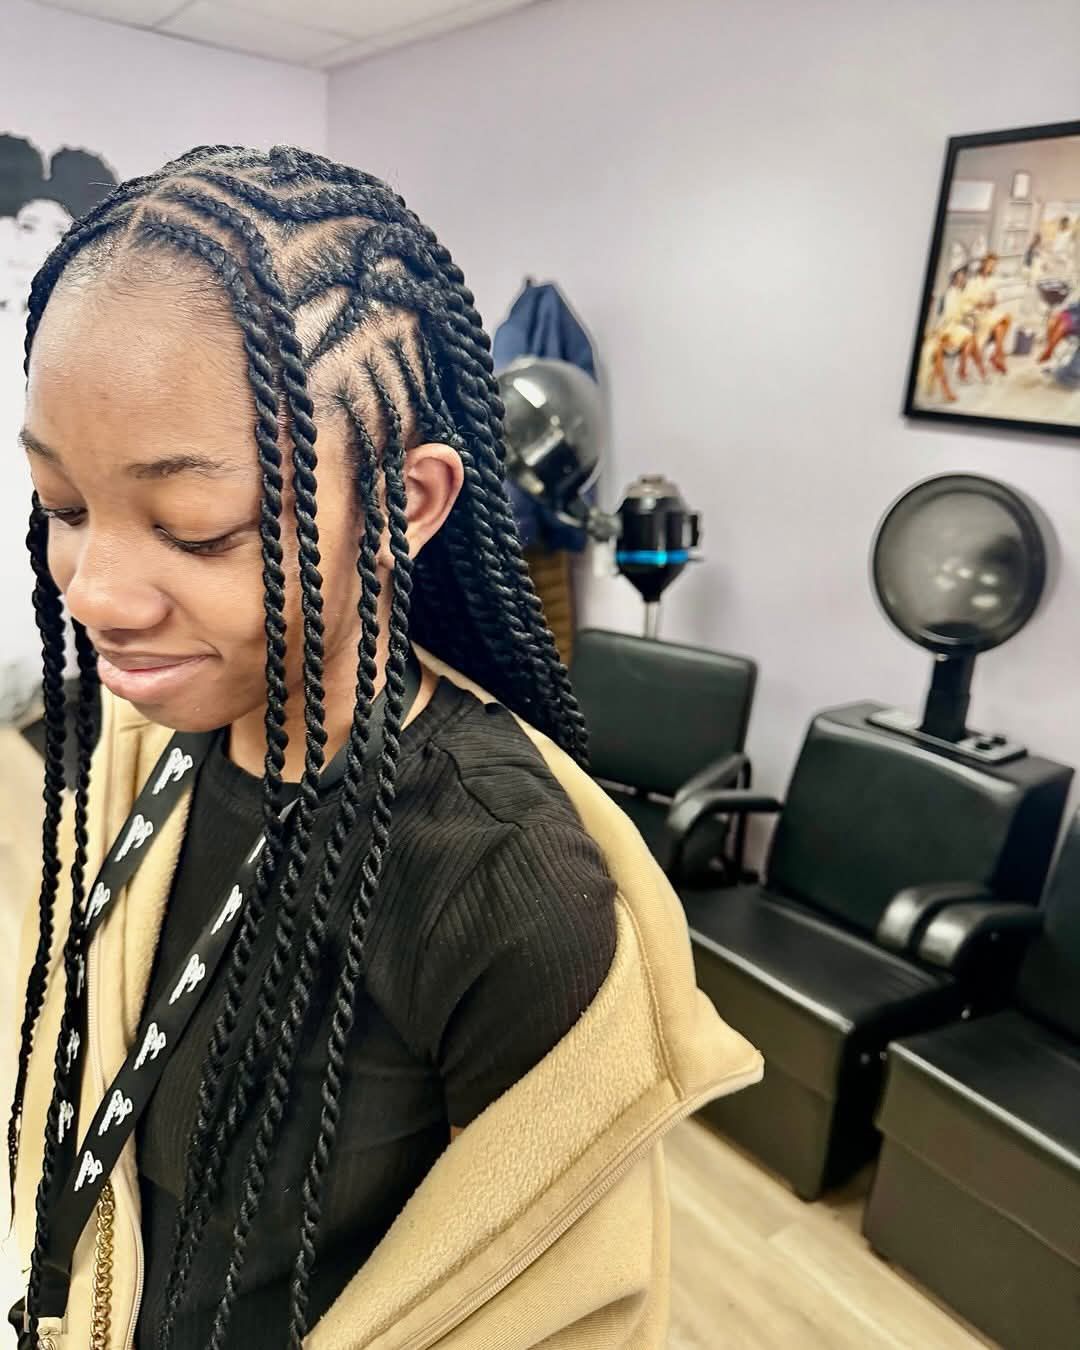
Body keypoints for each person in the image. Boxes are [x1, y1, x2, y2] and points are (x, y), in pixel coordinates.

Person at [7, 145, 760, 1350]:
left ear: (405, 502)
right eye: (61, 506)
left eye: (193, 529)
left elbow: (556, 1305)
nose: (96, 592)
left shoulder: (507, 887)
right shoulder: (158, 724)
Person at [926, 264, 982, 402]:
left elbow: (962, 311)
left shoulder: (958, 293)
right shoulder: (949, 294)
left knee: (971, 338)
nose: (962, 279)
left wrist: (972, 314)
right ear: (954, 278)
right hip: (944, 329)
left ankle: (964, 371)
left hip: (953, 326)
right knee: (970, 338)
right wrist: (941, 335)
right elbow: (942, 317)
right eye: (959, 276)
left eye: (964, 276)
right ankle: (962, 374)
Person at [963, 253, 1011, 374]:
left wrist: (993, 301)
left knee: (1004, 321)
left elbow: (994, 299)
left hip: (988, 312)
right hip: (976, 314)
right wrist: (981, 303)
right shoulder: (972, 280)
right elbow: (967, 301)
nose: (991, 267)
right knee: (1002, 323)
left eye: (994, 265)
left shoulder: (992, 281)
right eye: (990, 264)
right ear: (983, 263)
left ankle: (996, 355)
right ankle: (999, 356)